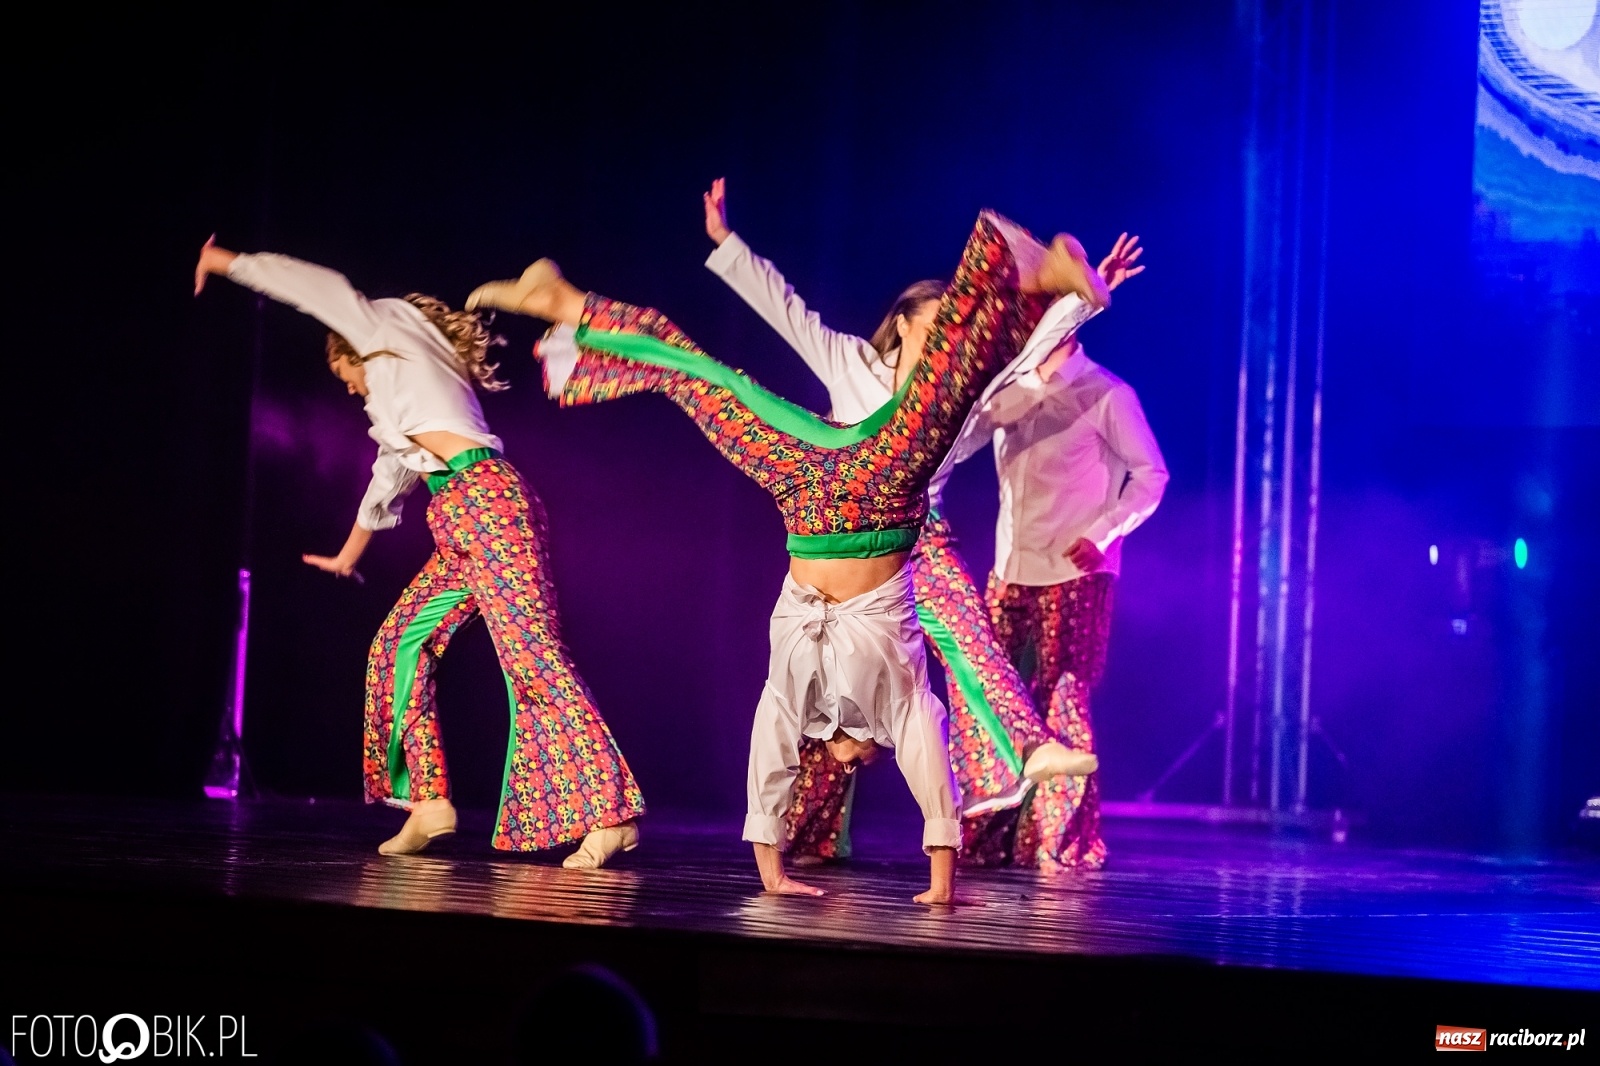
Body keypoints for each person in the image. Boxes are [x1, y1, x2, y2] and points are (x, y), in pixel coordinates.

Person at [466, 210, 1109, 902]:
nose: (855, 761)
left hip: (809, 480)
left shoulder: (799, 700)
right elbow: (933, 786)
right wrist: (940, 888)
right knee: (936, 400)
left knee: (706, 380)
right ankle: (1040, 279)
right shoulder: (901, 709)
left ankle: (564, 303)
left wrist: (773, 875)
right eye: (863, 759)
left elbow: (771, 764)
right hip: (880, 486)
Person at [701, 180, 1143, 868]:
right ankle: (809, 830)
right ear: (904, 321)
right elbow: (785, 313)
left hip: (911, 537)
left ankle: (1027, 745)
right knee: (823, 700)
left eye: (953, 329)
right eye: (934, 323)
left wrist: (1079, 301)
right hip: (839, 534)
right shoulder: (851, 363)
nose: (945, 339)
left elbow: (1019, 355)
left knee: (962, 631)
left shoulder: (959, 394)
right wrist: (728, 246)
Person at [193, 239, 645, 868]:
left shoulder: (375, 328)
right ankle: (428, 804)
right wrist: (349, 555)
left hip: (489, 503)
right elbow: (388, 478)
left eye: (343, 378)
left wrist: (227, 264)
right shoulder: (401, 392)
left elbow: (313, 286)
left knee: (532, 659)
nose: (349, 392)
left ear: (350, 350)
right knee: (399, 643)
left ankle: (611, 814)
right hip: (460, 514)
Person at [976, 317, 1168, 868]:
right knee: (999, 702)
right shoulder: (1006, 392)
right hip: (1009, 567)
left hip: (1076, 571)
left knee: (1063, 699)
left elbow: (1151, 473)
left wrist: (1102, 533)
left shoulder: (1106, 392)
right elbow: (959, 443)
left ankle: (1061, 841)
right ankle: (990, 835)